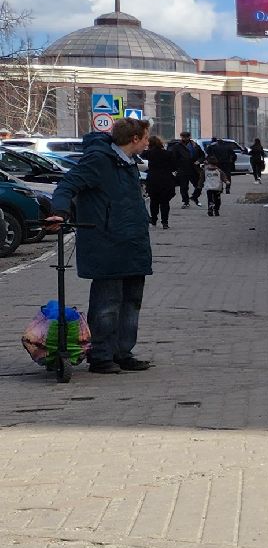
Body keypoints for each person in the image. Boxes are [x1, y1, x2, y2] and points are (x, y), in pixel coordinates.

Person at [45, 118, 156, 373]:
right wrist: (60, 212)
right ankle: (101, 356)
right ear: (135, 138)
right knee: (107, 303)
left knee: (131, 301)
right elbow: (68, 184)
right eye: (146, 137)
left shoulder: (127, 162)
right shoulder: (99, 160)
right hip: (107, 243)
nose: (149, 142)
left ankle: (122, 352)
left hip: (133, 243)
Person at [141, 135, 177, 230]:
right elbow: (174, 166)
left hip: (153, 179)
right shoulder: (168, 154)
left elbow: (140, 156)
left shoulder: (148, 154)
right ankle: (165, 222)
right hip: (166, 179)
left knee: (154, 201)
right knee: (165, 202)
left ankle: (154, 220)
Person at [173, 132, 204, 206]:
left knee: (198, 185)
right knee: (183, 186)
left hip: (194, 168)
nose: (185, 138)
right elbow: (174, 158)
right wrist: (176, 168)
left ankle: (194, 197)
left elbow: (202, 155)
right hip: (182, 169)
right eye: (183, 137)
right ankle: (185, 201)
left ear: (189, 137)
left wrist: (199, 161)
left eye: (186, 137)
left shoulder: (195, 145)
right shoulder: (177, 146)